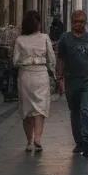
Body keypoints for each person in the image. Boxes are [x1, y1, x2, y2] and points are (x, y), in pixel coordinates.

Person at [55, 10, 88, 157]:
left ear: (85, 22)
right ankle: (78, 142)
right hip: (71, 80)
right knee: (75, 111)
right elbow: (61, 58)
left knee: (85, 110)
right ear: (71, 22)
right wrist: (59, 77)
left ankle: (86, 141)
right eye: (76, 22)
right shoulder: (65, 39)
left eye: (81, 22)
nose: (78, 24)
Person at [15, 10, 57, 153]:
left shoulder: (20, 40)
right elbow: (51, 58)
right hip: (41, 75)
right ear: (38, 23)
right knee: (40, 108)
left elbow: (15, 60)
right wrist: (53, 72)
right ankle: (38, 138)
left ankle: (28, 142)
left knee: (27, 109)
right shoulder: (45, 37)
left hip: (25, 75)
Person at [0, 21, 20, 102]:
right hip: (12, 59)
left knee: (7, 76)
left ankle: (6, 94)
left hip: (5, 59)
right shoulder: (16, 33)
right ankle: (14, 92)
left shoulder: (2, 33)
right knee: (14, 75)